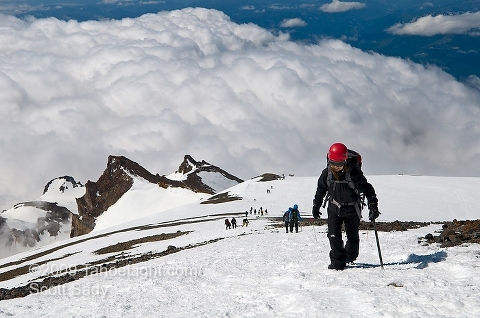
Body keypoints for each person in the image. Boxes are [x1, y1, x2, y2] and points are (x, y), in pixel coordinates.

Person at [312, 143, 379, 270]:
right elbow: (321, 190)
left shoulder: (354, 174)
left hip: (352, 208)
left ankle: (350, 256)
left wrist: (373, 206)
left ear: (345, 161)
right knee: (333, 235)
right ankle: (338, 262)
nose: (336, 167)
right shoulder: (326, 174)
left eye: (339, 164)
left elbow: (368, 190)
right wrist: (316, 205)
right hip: (334, 207)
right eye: (333, 164)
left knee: (352, 235)